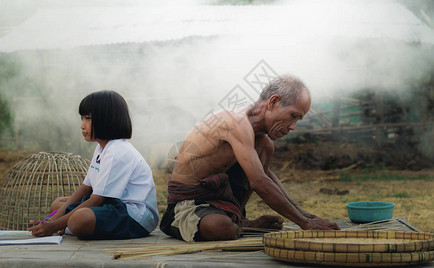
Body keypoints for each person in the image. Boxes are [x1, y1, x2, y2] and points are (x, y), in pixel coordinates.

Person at [160, 75, 339, 242]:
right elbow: (259, 182)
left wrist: (308, 216)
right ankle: (240, 226)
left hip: (222, 203)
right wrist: (305, 224)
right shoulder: (234, 121)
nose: (293, 127)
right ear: (274, 102)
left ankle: (240, 220)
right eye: (293, 116)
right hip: (186, 205)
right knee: (221, 228)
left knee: (265, 146)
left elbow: (266, 177)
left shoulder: (262, 141)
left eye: (298, 120)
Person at [29, 90, 159, 240]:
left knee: (79, 219)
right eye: (82, 118)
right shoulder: (101, 147)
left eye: (88, 119)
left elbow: (97, 199)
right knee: (58, 204)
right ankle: (67, 226)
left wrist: (53, 226)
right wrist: (49, 221)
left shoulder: (118, 151)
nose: (82, 126)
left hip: (134, 216)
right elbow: (85, 188)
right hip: (111, 205)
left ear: (106, 120)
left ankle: (69, 227)